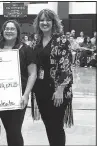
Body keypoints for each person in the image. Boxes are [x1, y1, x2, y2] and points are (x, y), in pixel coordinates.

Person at [0, 20, 37, 146]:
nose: (9, 31)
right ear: (2, 31)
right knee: (2, 130)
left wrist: (26, 95)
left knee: (14, 131)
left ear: (17, 32)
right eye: (7, 28)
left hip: (18, 96)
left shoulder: (26, 49)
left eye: (12, 29)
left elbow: (33, 73)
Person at [31, 9, 74, 146]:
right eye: (42, 20)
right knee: (49, 126)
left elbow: (66, 66)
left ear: (53, 22)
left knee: (56, 127)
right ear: (38, 23)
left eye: (48, 20)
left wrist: (60, 89)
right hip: (40, 89)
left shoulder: (62, 40)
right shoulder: (36, 40)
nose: (44, 23)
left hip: (57, 91)